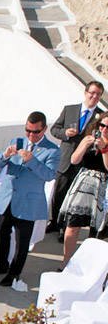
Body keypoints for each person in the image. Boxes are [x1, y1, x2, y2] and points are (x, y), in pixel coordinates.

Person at [0, 112, 61, 286]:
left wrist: (31, 160)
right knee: (1, 233)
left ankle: (14, 273)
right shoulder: (16, 142)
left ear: (45, 129)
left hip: (28, 202)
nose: (31, 135)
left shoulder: (53, 150)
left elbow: (49, 175)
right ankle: (1, 265)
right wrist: (5, 155)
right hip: (7, 198)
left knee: (22, 241)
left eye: (36, 132)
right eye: (28, 131)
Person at [48, 81, 105, 241]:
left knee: (72, 198)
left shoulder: (101, 116)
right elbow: (54, 129)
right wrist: (65, 133)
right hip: (65, 158)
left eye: (98, 94)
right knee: (58, 193)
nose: (94, 96)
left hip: (83, 162)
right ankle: (54, 222)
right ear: (85, 92)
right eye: (92, 93)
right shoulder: (70, 109)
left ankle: (65, 228)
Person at [57, 112, 108, 269]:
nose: (104, 129)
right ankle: (66, 262)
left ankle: (92, 268)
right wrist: (86, 144)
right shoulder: (89, 138)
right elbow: (74, 160)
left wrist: (104, 149)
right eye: (102, 125)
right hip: (84, 183)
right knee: (72, 225)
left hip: (103, 187)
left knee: (97, 231)